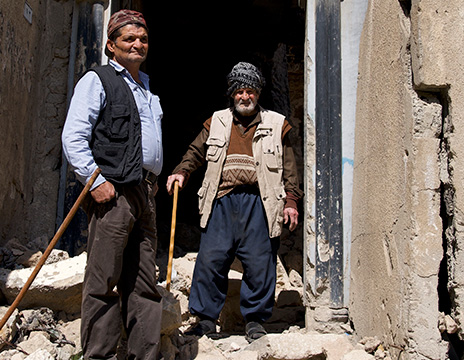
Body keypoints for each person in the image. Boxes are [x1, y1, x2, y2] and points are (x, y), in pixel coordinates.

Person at [166, 62, 301, 343]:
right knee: (211, 259)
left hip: (260, 203)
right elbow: (196, 151)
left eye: (250, 91)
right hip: (222, 201)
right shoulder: (216, 121)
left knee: (260, 262)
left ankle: (255, 321)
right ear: (232, 93)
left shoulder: (277, 124)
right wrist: (182, 171)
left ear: (258, 93)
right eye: (239, 91)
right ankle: (205, 320)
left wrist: (291, 201)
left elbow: (290, 168)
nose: (244, 96)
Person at [61, 9, 162, 360]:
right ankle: (98, 356)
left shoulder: (146, 87)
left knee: (144, 281)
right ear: (111, 45)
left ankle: (143, 355)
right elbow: (74, 136)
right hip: (113, 192)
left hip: (144, 192)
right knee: (103, 280)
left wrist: (153, 179)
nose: (138, 44)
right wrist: (94, 181)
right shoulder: (97, 80)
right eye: (129, 39)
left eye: (143, 39)